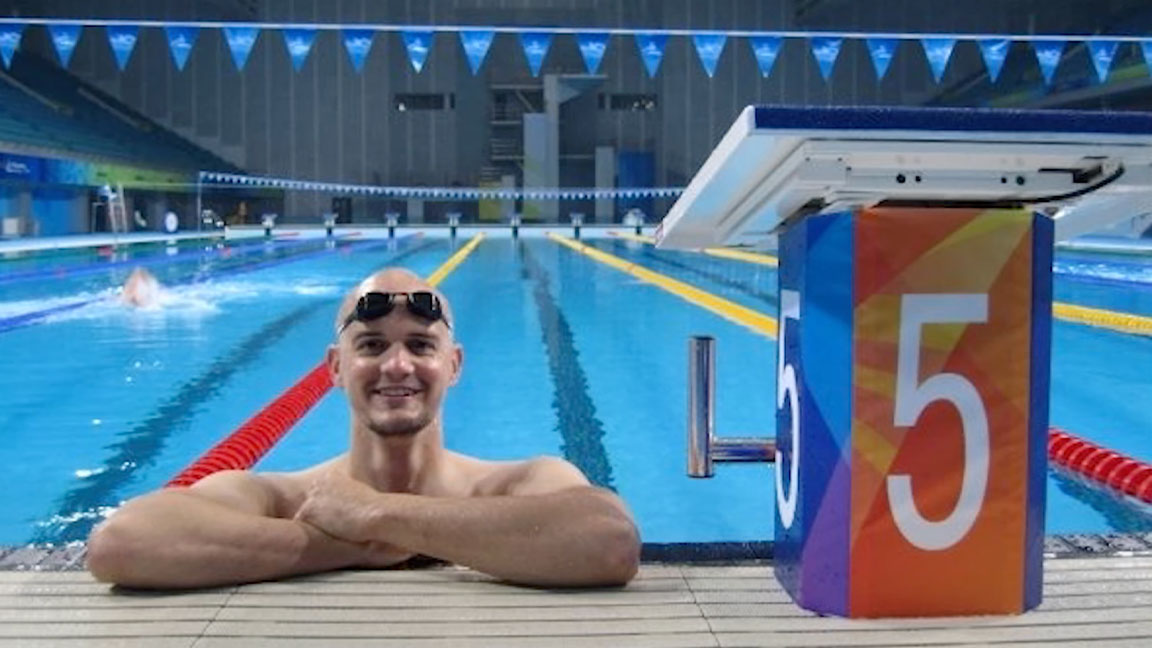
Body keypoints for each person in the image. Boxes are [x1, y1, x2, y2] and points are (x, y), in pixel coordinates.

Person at [86, 268, 641, 590]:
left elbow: (610, 540)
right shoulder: (284, 497)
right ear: (333, 367)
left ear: (454, 365)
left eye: (421, 346)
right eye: (372, 345)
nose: (397, 365)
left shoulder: (514, 483)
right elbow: (122, 541)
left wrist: (378, 516)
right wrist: (341, 545)